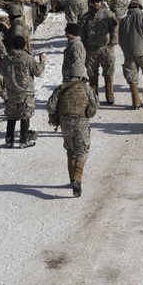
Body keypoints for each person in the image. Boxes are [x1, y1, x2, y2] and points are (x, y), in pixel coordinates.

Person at [46, 65, 99, 198]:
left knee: (71, 149)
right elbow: (94, 104)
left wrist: (56, 117)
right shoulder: (86, 87)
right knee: (82, 150)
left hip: (65, 123)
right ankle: (77, 179)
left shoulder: (61, 88)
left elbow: (50, 106)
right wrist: (89, 113)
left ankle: (72, 181)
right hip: (81, 121)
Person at [0, 34, 46, 148]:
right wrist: (42, 62)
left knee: (11, 116)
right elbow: (38, 72)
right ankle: (23, 140)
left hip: (11, 92)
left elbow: (1, 71)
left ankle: (9, 140)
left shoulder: (7, 58)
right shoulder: (28, 58)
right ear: (24, 45)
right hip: (26, 92)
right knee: (25, 115)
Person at [80, 0, 119, 105]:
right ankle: (94, 96)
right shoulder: (86, 17)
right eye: (93, 2)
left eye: (98, 1)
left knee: (108, 72)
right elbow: (82, 32)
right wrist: (83, 46)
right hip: (91, 49)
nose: (96, 3)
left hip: (105, 48)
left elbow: (114, 29)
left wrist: (112, 44)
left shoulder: (108, 15)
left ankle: (109, 95)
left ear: (101, 2)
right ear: (90, 3)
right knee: (92, 73)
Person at [119, 0, 143, 108]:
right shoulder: (142, 16)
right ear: (140, 7)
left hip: (128, 54)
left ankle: (135, 102)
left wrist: (126, 50)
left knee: (132, 77)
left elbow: (120, 39)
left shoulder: (123, 20)